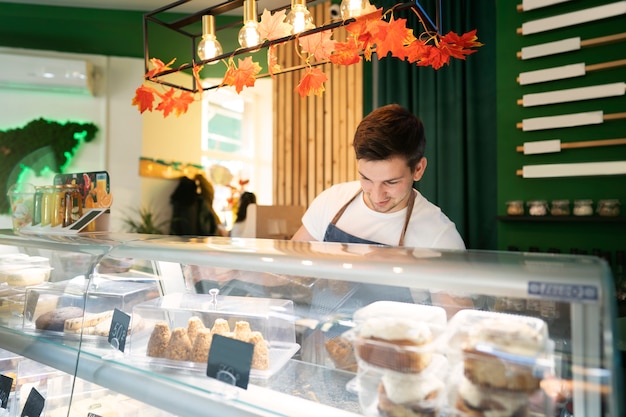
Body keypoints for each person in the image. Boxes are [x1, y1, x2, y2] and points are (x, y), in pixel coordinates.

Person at [291, 103, 465, 249]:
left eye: (390, 182)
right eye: (366, 178)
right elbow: (289, 267)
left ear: (418, 169)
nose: (376, 195)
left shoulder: (440, 237)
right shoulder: (332, 200)